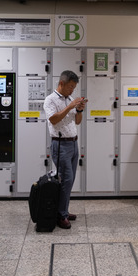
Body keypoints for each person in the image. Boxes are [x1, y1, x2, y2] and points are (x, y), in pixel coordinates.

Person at [43, 70, 86, 229]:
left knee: (70, 180)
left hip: (73, 144)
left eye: (74, 88)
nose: (72, 91)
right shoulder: (50, 100)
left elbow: (78, 121)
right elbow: (53, 119)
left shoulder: (69, 99)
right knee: (65, 180)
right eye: (70, 87)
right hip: (60, 144)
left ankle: (64, 210)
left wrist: (79, 109)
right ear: (61, 84)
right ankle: (61, 215)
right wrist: (70, 106)